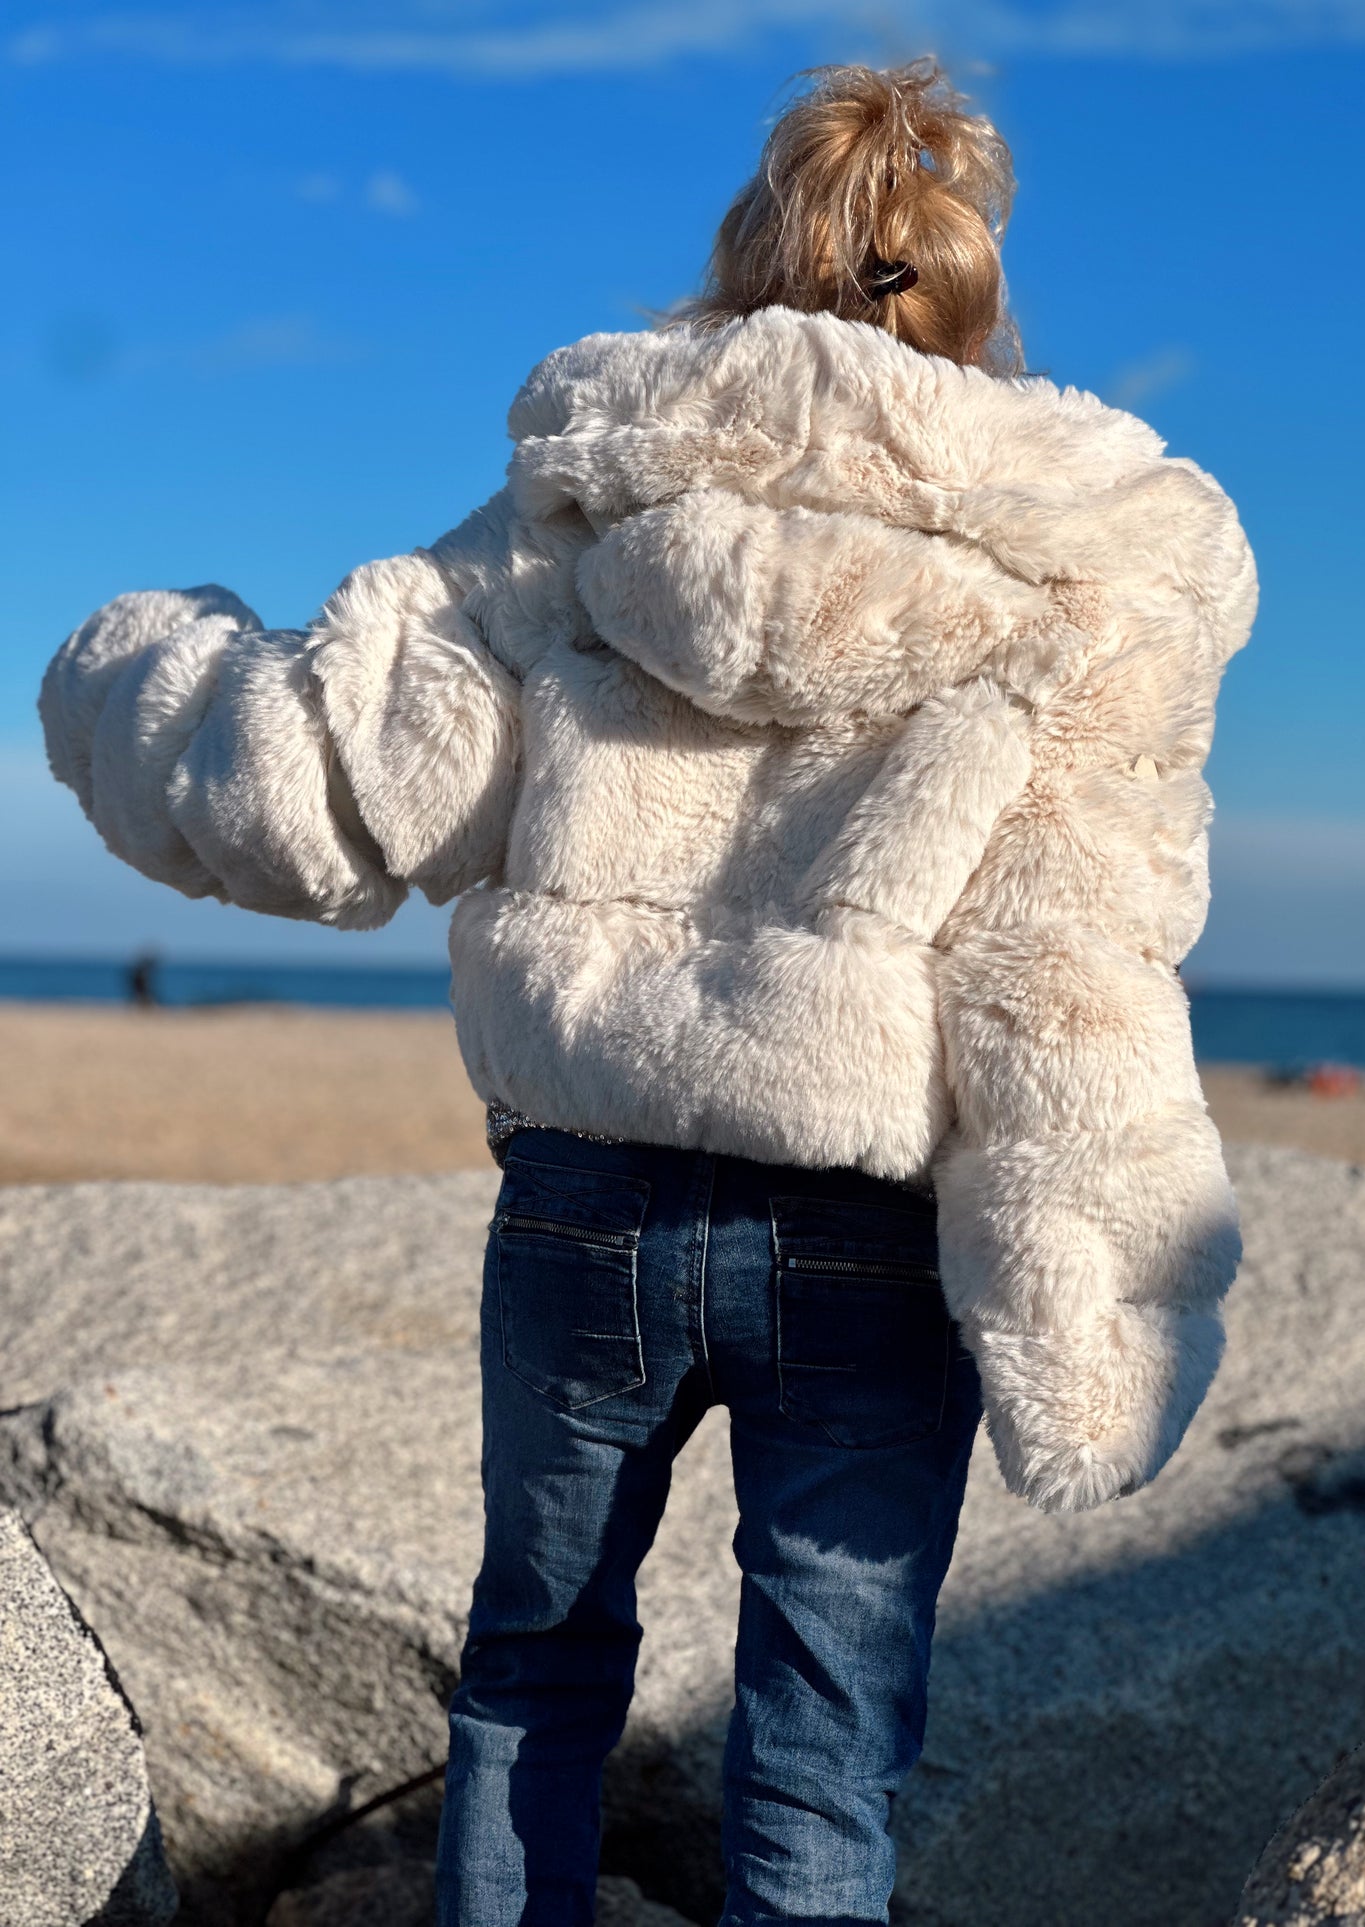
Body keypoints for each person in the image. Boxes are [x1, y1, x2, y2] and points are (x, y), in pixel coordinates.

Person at [38, 59, 1256, 1927]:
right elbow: (1069, 960)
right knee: (822, 1746)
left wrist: (128, 675)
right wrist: (1100, 1294)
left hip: (586, 1202)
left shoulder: (584, 502)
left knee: (531, 1677)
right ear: (970, 299)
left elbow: (323, 796)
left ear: (743, 261)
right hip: (862, 1226)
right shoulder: (1092, 562)